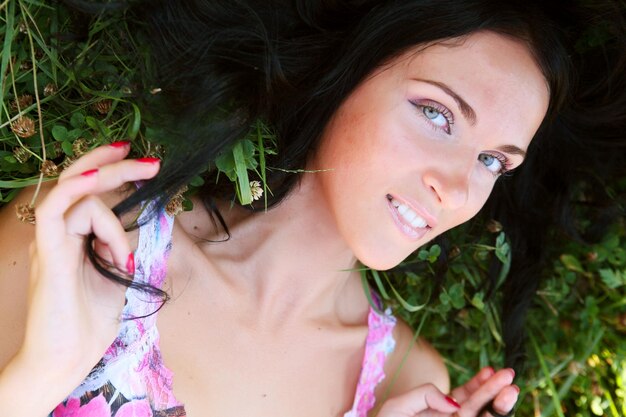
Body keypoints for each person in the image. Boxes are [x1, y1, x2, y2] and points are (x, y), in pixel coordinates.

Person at [0, 1, 624, 416]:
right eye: (436, 114)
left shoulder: (408, 385)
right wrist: (41, 371)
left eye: (494, 161)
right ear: (351, 70)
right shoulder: (90, 237)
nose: (458, 188)